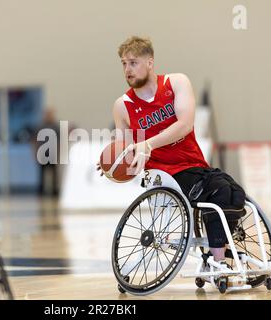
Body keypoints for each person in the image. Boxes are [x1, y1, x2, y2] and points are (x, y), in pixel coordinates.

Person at [98, 36, 246, 267]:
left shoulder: (176, 82)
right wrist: (112, 162)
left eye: (133, 62)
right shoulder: (122, 106)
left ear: (150, 62)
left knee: (234, 192)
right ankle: (220, 262)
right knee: (220, 191)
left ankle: (221, 252)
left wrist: (147, 143)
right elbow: (126, 149)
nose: (127, 69)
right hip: (164, 174)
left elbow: (185, 125)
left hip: (194, 166)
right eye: (123, 63)